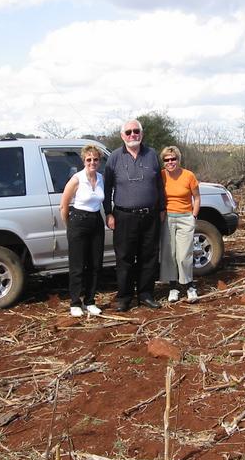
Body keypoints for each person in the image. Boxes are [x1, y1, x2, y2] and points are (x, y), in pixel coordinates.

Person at [103, 119, 166, 312]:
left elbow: (159, 185)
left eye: (136, 131)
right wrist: (108, 213)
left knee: (149, 256)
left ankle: (146, 294)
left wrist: (162, 208)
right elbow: (107, 189)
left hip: (150, 216)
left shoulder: (152, 154)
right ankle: (125, 297)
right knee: (125, 258)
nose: (132, 135)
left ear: (142, 133)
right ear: (122, 136)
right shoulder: (114, 157)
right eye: (128, 132)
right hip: (124, 217)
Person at [59, 145, 105, 317]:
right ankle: (75, 302)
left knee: (95, 265)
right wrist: (69, 227)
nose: (92, 162)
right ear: (84, 160)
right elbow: (63, 206)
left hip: (96, 221)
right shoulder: (76, 179)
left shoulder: (101, 178)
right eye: (89, 159)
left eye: (95, 159)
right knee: (78, 265)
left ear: (99, 161)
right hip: (78, 221)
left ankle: (90, 301)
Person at [159, 146, 201, 303]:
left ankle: (189, 286)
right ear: (163, 162)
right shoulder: (161, 176)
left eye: (173, 158)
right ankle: (173, 288)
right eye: (167, 159)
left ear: (178, 159)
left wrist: (194, 216)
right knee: (170, 255)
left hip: (185, 217)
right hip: (168, 218)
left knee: (184, 256)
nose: (170, 162)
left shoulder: (188, 175)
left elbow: (196, 197)